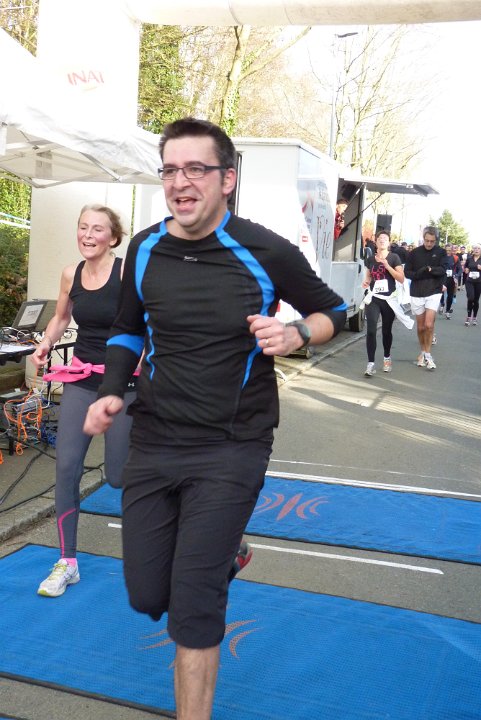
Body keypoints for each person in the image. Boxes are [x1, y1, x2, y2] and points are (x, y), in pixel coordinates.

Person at [83, 117, 347, 720]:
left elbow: (333, 310)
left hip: (232, 445)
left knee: (193, 608)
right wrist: (112, 391)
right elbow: (127, 329)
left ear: (227, 179)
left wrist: (297, 332)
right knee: (147, 594)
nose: (181, 182)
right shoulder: (144, 249)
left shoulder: (265, 250)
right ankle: (227, 552)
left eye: (196, 169)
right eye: (170, 170)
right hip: (155, 437)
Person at [31, 205, 137, 598]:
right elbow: (62, 317)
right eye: (83, 228)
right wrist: (46, 342)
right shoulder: (70, 274)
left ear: (113, 237)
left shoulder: (126, 273)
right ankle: (67, 561)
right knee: (66, 468)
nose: (88, 235)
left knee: (118, 476)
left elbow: (150, 322)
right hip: (81, 379)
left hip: (124, 383)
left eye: (97, 229)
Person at [362, 230, 409, 376]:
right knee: (371, 330)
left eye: (385, 238)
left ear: (389, 242)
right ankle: (370, 364)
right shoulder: (370, 259)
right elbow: (369, 276)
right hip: (374, 298)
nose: (382, 240)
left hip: (389, 299)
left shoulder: (394, 258)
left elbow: (401, 278)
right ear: (376, 242)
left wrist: (388, 266)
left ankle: (387, 358)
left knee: (386, 331)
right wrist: (366, 282)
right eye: (380, 238)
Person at [404, 226, 446, 370]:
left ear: (436, 240)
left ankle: (428, 355)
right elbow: (407, 272)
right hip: (417, 291)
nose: (429, 244)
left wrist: (431, 269)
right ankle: (422, 351)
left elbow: (443, 270)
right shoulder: (414, 253)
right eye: (427, 241)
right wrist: (419, 273)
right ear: (423, 239)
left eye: (432, 241)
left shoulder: (441, 252)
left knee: (429, 325)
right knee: (421, 327)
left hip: (434, 291)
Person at [440, 244, 460, 318]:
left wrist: (456, 275)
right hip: (442, 278)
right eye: (446, 250)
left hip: (451, 278)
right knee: (441, 293)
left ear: (452, 250)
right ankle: (442, 304)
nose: (448, 252)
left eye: (449, 250)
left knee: (450, 296)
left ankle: (447, 311)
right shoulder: (441, 257)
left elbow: (460, 269)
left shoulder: (455, 258)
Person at [463, 244, 481, 325]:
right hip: (469, 281)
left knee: (476, 300)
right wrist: (466, 269)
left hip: (479, 282)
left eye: (478, 248)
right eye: (475, 248)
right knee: (470, 298)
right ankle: (468, 316)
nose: (476, 249)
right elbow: (466, 267)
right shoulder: (469, 258)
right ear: (473, 250)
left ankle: (474, 317)